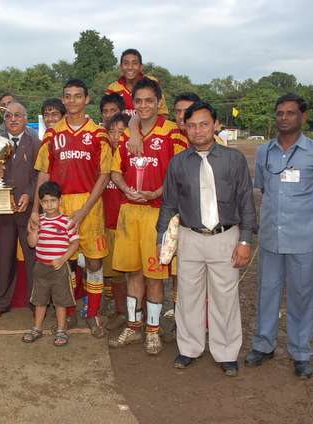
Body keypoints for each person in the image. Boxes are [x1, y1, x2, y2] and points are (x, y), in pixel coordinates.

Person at [158, 101, 256, 377]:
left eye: (203, 124)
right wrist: (162, 239)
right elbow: (169, 204)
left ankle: (226, 352)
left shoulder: (233, 159)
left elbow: (246, 201)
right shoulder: (178, 163)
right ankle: (189, 348)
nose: (197, 130)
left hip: (225, 236)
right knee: (188, 296)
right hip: (190, 237)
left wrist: (245, 240)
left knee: (225, 297)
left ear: (216, 125)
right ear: (184, 128)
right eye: (191, 125)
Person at [246, 93, 313, 379]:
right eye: (279, 113)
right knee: (267, 292)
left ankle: (300, 352)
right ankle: (264, 345)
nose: (283, 118)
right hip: (271, 238)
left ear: (303, 117)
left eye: (290, 113)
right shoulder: (264, 152)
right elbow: (264, 189)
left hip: (305, 240)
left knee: (302, 296)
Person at [108, 78, 187, 355]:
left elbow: (179, 173)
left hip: (158, 212)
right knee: (133, 272)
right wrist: (126, 188)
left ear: (158, 102)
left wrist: (156, 192)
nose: (143, 106)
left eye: (149, 101)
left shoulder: (172, 132)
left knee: (155, 276)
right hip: (130, 211)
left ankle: (153, 330)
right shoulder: (128, 134)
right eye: (138, 101)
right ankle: (133, 326)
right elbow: (115, 171)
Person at [32, 79, 111, 336]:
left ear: (87, 99)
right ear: (63, 99)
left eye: (78, 96)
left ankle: (93, 313)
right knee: (66, 263)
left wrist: (85, 210)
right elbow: (44, 174)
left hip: (90, 205)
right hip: (60, 205)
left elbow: (104, 176)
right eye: (68, 96)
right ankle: (70, 311)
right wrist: (36, 211)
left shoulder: (98, 134)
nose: (72, 100)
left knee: (94, 262)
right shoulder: (52, 134)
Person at [0, 102, 39, 319]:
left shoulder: (35, 140)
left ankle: (36, 302)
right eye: (9, 116)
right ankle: (1, 302)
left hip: (27, 209)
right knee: (4, 258)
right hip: (2, 210)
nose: (13, 119)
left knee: (32, 257)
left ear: (25, 118)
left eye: (17, 115)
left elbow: (40, 174)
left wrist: (29, 195)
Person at [22, 181, 79, 347]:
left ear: (60, 201)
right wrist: (34, 231)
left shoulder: (67, 221)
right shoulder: (38, 221)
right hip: (41, 267)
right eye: (45, 201)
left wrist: (62, 259)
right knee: (39, 300)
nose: (49, 205)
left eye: (53, 200)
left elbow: (75, 243)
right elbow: (31, 244)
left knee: (60, 301)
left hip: (60, 268)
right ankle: (37, 328)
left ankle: (61, 330)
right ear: (40, 203)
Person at [103, 113, 130, 330]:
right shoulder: (103, 155)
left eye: (121, 132)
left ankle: (139, 314)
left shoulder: (132, 156)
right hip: (109, 224)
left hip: (129, 225)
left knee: (138, 274)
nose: (116, 137)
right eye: (112, 132)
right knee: (115, 275)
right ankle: (121, 311)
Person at [105, 48, 169, 116]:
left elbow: (163, 114)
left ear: (141, 67)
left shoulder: (152, 82)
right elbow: (107, 115)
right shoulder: (113, 88)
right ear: (121, 67)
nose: (130, 67)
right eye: (126, 63)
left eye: (134, 63)